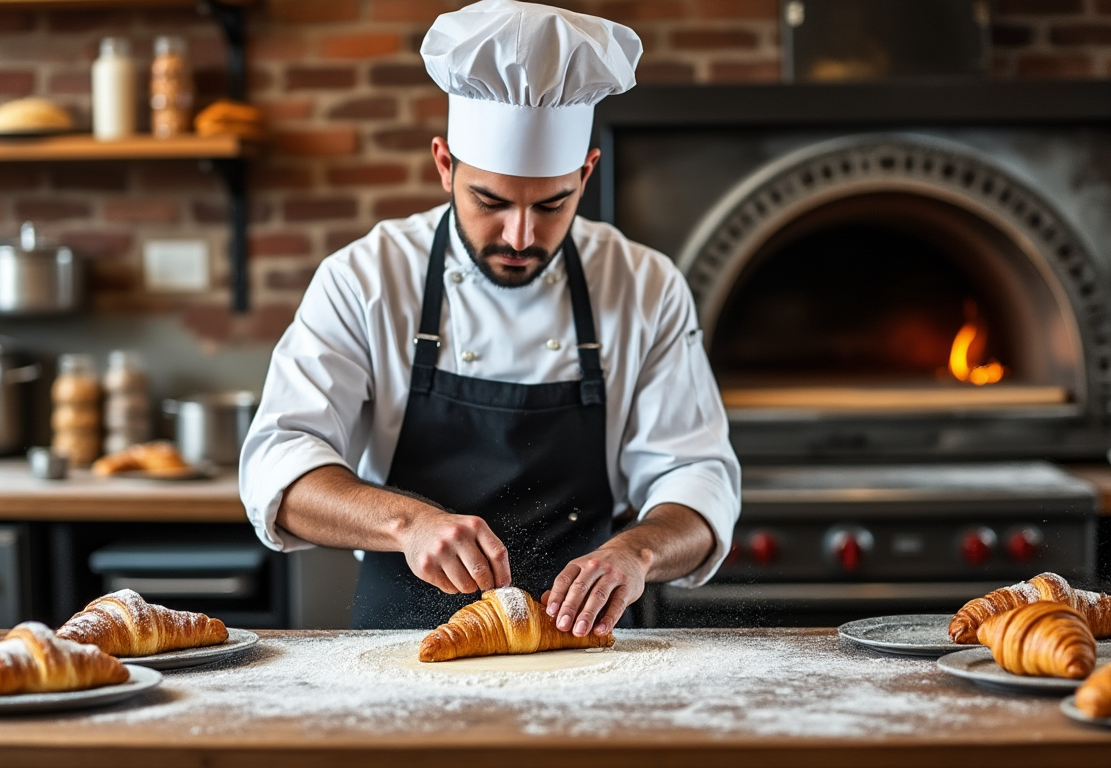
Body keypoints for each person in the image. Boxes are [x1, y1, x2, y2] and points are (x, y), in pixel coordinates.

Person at [240, 0, 741, 635]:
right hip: (403, 641)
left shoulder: (644, 285)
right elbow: (278, 464)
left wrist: (636, 551)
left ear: (586, 176)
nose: (522, 234)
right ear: (445, 165)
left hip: (584, 642)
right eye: (490, 201)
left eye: (553, 204)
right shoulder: (365, 278)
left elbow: (697, 478)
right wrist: (408, 524)